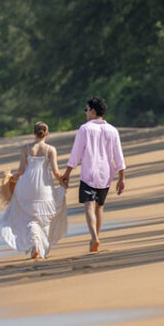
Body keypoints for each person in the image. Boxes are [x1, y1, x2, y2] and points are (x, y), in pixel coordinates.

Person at [60, 96, 126, 253]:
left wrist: (67, 173)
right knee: (99, 207)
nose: (85, 112)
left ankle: (94, 237)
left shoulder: (85, 129)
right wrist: (122, 178)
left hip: (89, 173)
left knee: (89, 206)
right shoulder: (112, 130)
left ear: (93, 111)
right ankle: (95, 238)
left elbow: (76, 153)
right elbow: (119, 156)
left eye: (86, 109)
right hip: (106, 175)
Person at [0, 121, 67, 259]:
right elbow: (55, 172)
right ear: (46, 133)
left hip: (27, 184)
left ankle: (35, 246)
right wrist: (62, 182)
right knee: (43, 217)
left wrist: (11, 177)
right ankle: (38, 246)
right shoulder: (50, 149)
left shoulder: (26, 148)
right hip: (44, 185)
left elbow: (21, 171)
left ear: (33, 133)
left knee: (29, 217)